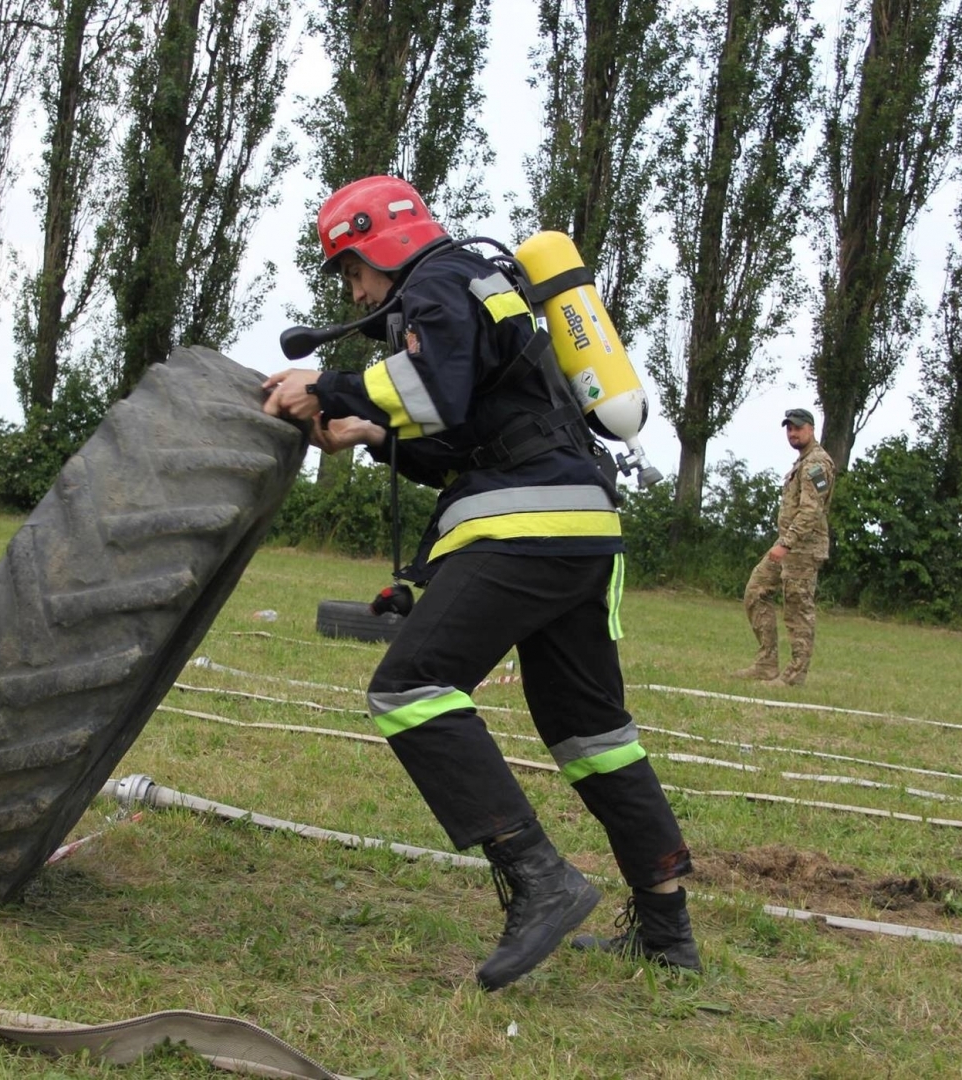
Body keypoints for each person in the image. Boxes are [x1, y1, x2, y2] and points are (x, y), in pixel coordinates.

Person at [261, 176, 699, 992]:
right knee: (591, 733)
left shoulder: (438, 281)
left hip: (524, 528)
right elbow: (470, 435)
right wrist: (371, 434)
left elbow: (430, 391)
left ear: (379, 246)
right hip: (582, 531)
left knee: (411, 686)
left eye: (350, 268)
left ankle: (539, 878)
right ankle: (668, 931)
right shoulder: (478, 290)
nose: (352, 289)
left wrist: (327, 388)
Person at [733, 408, 836, 687]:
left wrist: (786, 544)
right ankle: (766, 663)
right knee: (755, 591)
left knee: (797, 609)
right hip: (788, 546)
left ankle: (794, 675)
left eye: (798, 428)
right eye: (789, 429)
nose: (793, 433)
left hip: (802, 549)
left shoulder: (817, 463)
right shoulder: (802, 462)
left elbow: (811, 511)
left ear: (811, 429)